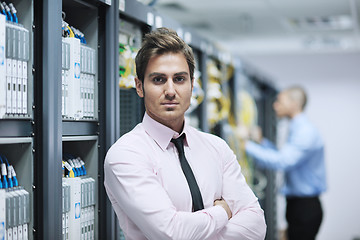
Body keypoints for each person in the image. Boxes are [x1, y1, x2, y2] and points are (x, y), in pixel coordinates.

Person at [104, 27, 266, 240]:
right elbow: (172, 233)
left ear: (192, 85)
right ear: (139, 86)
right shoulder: (126, 155)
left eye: (179, 79)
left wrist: (194, 229)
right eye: (158, 80)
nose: (170, 91)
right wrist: (223, 212)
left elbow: (255, 226)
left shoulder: (216, 148)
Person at [244, 86, 327, 240]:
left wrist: (245, 145)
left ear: (294, 104)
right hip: (298, 206)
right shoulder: (298, 128)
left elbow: (283, 161)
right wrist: (261, 142)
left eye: (279, 101)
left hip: (305, 208)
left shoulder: (305, 133)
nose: (275, 105)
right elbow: (283, 155)